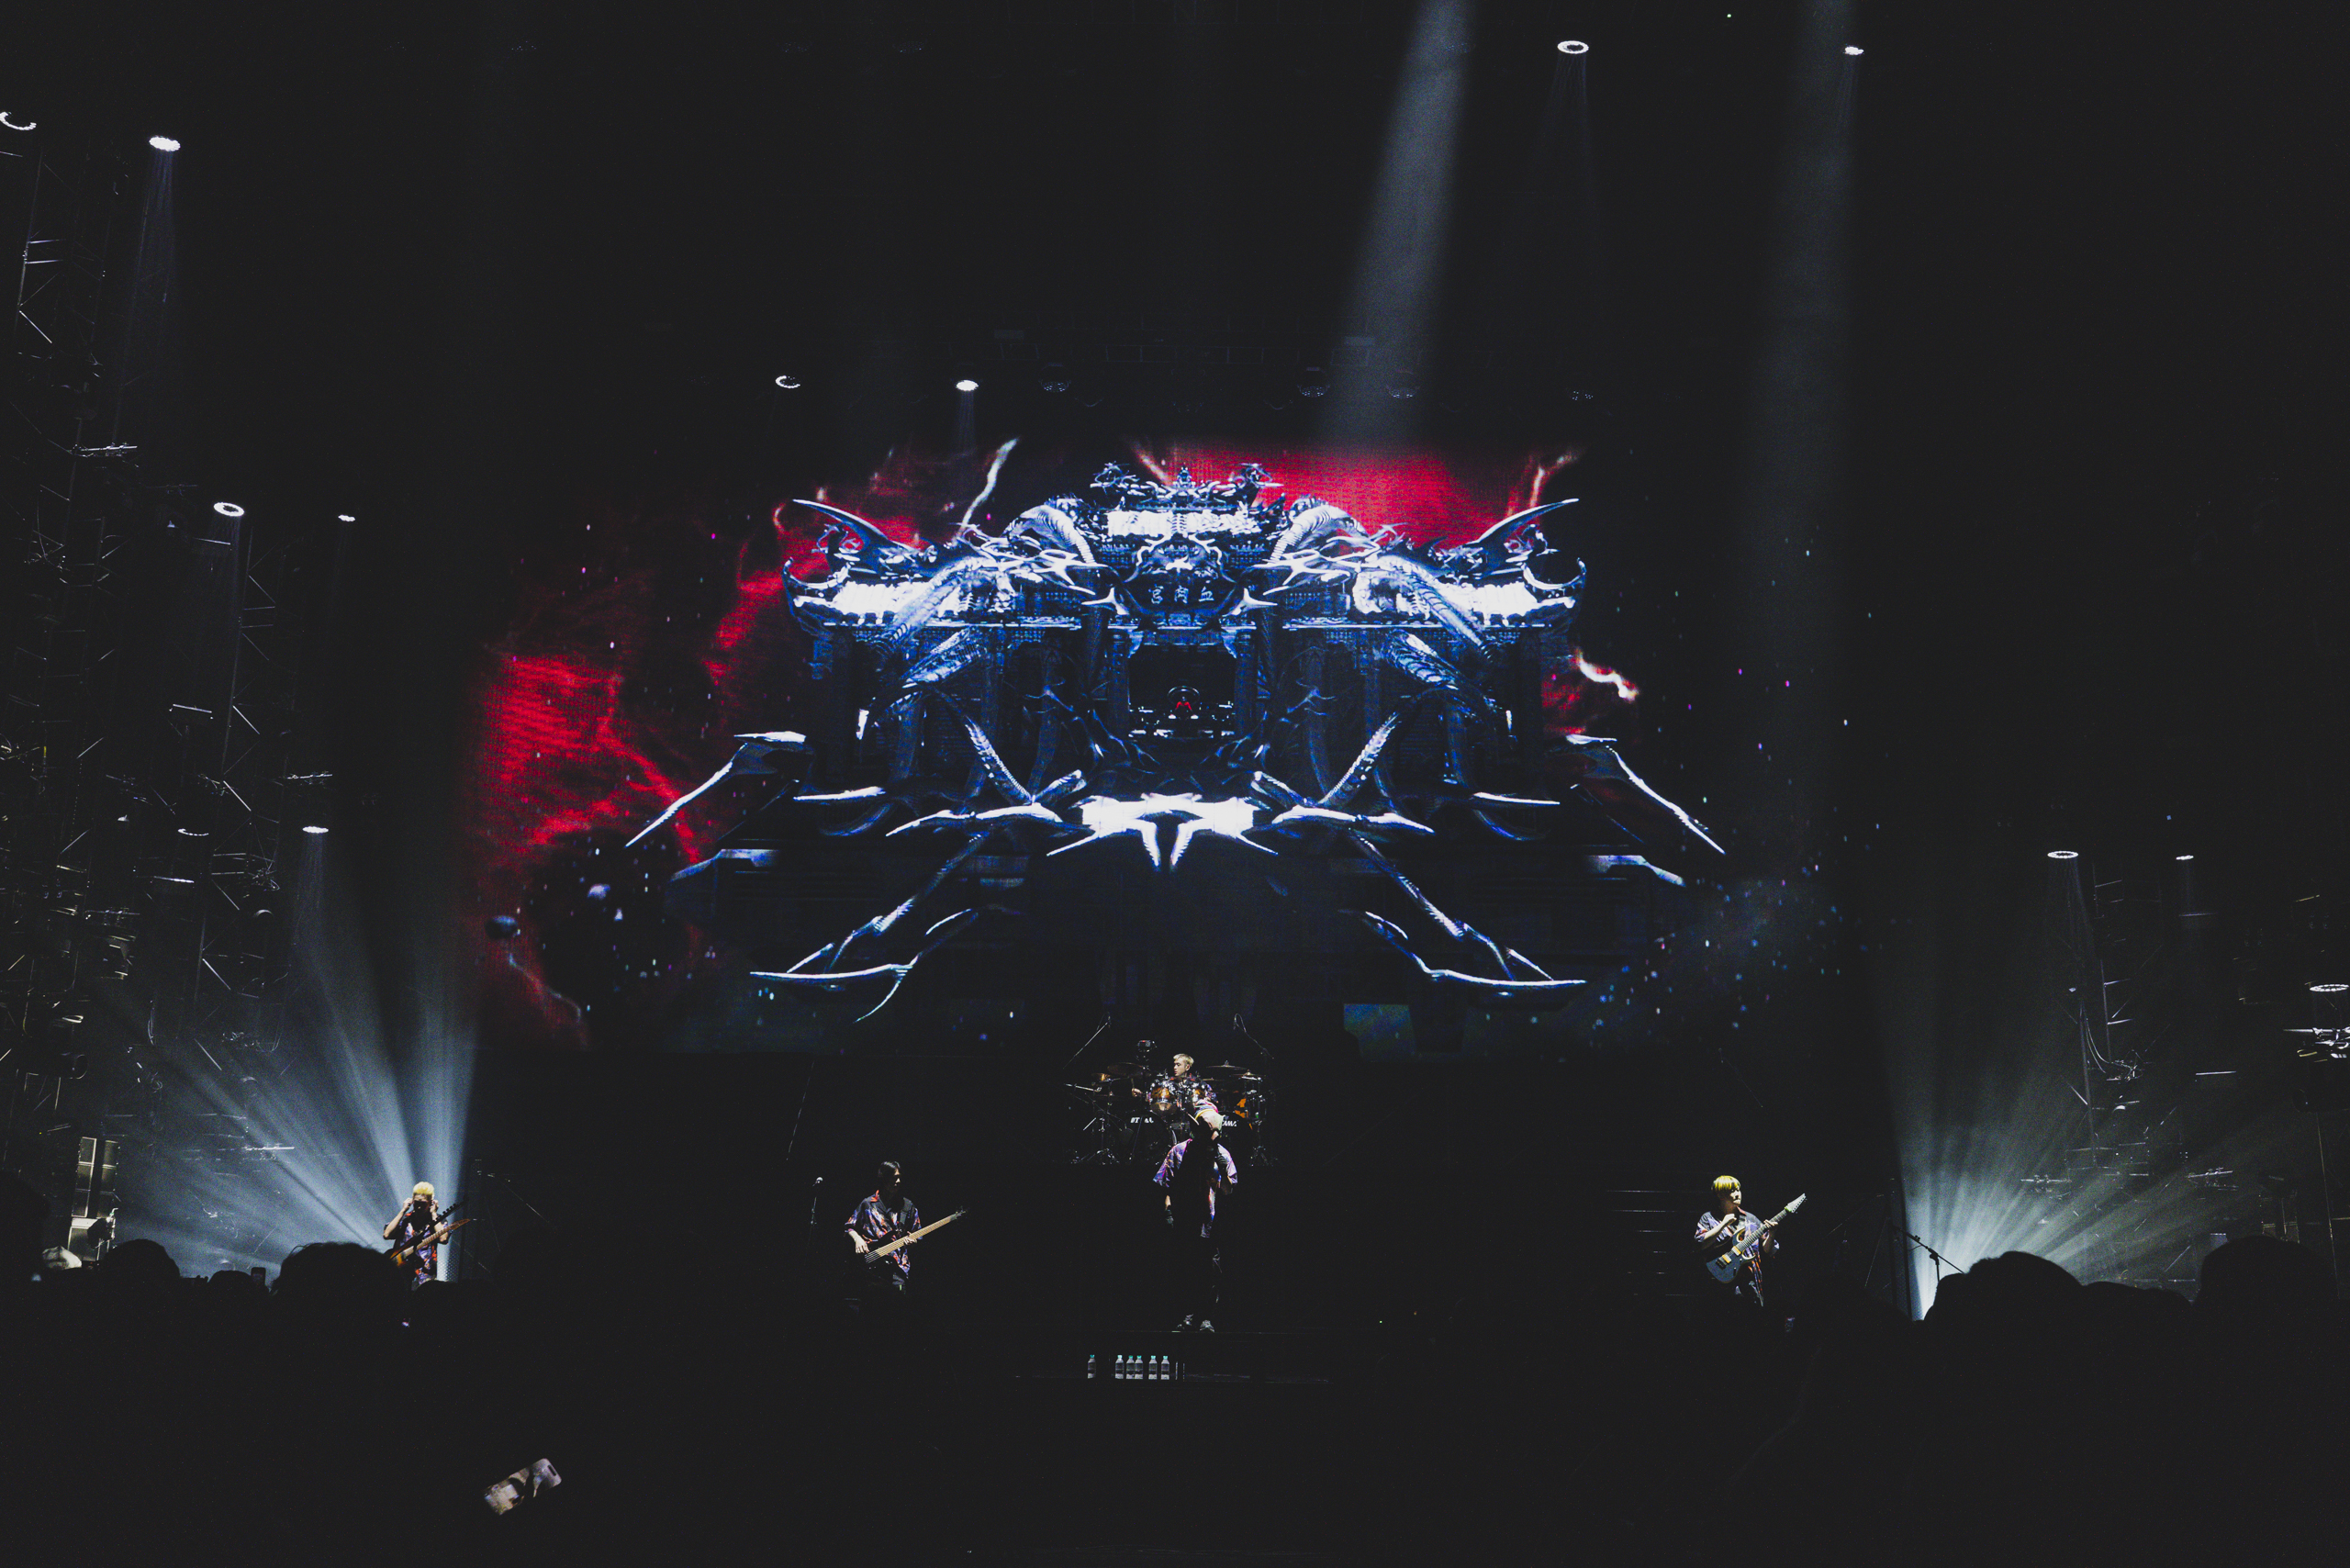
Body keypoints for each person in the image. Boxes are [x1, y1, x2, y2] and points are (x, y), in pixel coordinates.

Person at [1155, 1108, 1239, 1331]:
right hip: (1184, 1221)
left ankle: (1206, 1317)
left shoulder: (1223, 1155)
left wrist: (1221, 1168)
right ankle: (1187, 1315)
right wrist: (1168, 1213)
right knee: (1184, 1269)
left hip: (1211, 1224)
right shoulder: (1179, 1151)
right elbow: (1165, 1184)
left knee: (1211, 1271)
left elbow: (1228, 1190)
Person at [844, 1159, 919, 1310]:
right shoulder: (868, 1204)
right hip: (871, 1271)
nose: (898, 1181)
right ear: (884, 1178)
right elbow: (849, 1227)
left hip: (898, 1270)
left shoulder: (907, 1206)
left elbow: (916, 1233)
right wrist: (858, 1239)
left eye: (900, 1177)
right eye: (894, 1177)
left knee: (896, 1313)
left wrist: (913, 1242)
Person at [1694, 1175, 1775, 1309]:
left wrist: (1771, 1234)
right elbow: (1700, 1243)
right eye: (1732, 1191)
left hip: (1748, 1285)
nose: (1738, 1194)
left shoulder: (1751, 1219)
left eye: (1738, 1190)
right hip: (1718, 1284)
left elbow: (1767, 1250)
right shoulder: (1708, 1218)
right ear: (1720, 1195)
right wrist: (1723, 1224)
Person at [382, 1182, 443, 1289]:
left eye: (423, 1203)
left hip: (425, 1274)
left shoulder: (437, 1221)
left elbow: (443, 1239)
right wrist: (403, 1211)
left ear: (431, 1202)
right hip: (401, 1271)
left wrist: (434, 1214)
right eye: (416, 1203)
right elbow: (387, 1235)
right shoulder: (405, 1219)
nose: (419, 1207)